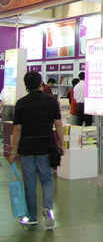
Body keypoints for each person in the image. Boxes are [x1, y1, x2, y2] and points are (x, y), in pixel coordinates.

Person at [8, 71, 64, 228]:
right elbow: (58, 124)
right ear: (41, 83)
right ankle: (48, 208)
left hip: (27, 150)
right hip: (46, 147)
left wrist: (13, 151)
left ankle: (32, 217)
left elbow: (17, 129)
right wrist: (61, 144)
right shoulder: (51, 100)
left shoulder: (21, 103)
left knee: (30, 183)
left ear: (26, 85)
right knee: (47, 179)